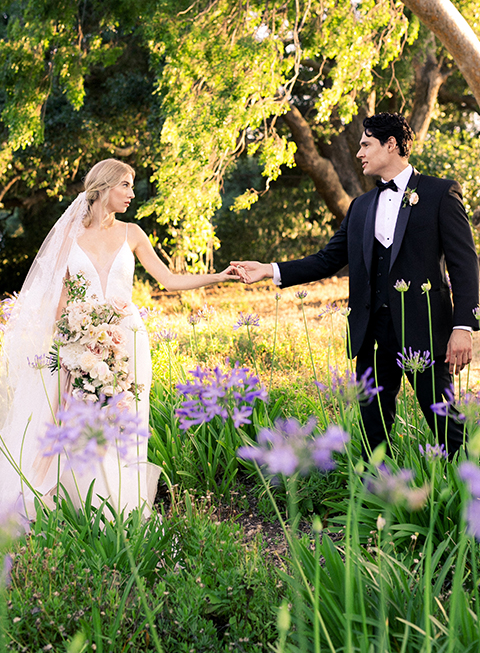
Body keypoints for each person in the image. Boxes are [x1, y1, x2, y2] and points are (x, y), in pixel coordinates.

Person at [232, 112, 479, 458]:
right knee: (372, 430)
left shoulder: (440, 193)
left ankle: (466, 500)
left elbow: (465, 264)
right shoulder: (360, 207)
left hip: (425, 332)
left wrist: (463, 326)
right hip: (372, 335)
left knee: (448, 428)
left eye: (366, 144)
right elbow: (327, 259)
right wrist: (269, 270)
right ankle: (378, 501)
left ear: (391, 145)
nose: (359, 153)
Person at [0, 159, 238, 517]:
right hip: (79, 345)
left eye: (131, 185)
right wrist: (68, 346)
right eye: (125, 185)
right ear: (103, 187)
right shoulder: (70, 235)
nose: (131, 193)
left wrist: (218, 277)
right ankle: (79, 507)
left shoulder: (133, 233)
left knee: (123, 418)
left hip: (127, 342)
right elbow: (58, 299)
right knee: (79, 423)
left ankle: (120, 508)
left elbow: (169, 280)